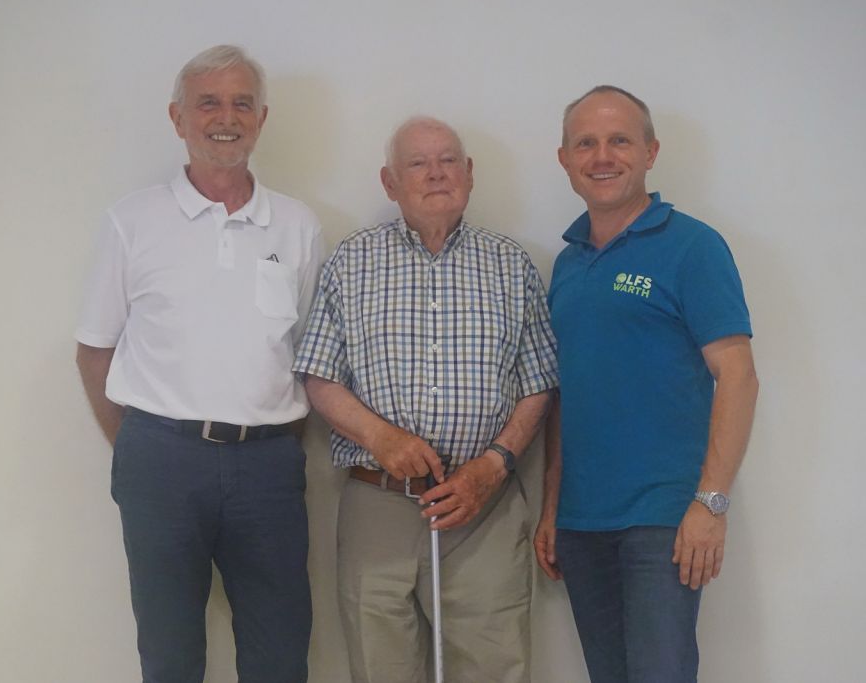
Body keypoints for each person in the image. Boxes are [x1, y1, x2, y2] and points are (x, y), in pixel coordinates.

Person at [74, 45, 323, 683]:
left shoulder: (297, 225)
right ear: (177, 117)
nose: (226, 117)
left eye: (242, 103)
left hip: (267, 466)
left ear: (262, 118)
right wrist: (138, 445)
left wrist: (272, 439)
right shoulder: (132, 220)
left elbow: (306, 356)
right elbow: (95, 350)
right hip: (161, 462)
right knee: (170, 655)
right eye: (208, 102)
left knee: (280, 653)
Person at [293, 116, 557, 683]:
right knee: (381, 668)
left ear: (469, 173)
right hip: (378, 503)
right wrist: (381, 437)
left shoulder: (512, 266)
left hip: (483, 507)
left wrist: (494, 464)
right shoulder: (352, 262)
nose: (436, 173)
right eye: (418, 163)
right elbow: (318, 376)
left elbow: (539, 384)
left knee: (494, 668)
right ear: (390, 182)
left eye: (448, 160)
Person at [533, 85, 759, 682]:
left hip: (663, 520)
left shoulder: (692, 246)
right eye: (586, 143)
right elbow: (565, 395)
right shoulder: (568, 263)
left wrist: (711, 503)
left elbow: (738, 375)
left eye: (620, 141)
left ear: (651, 152)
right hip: (581, 523)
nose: (602, 156)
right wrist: (553, 506)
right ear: (565, 159)